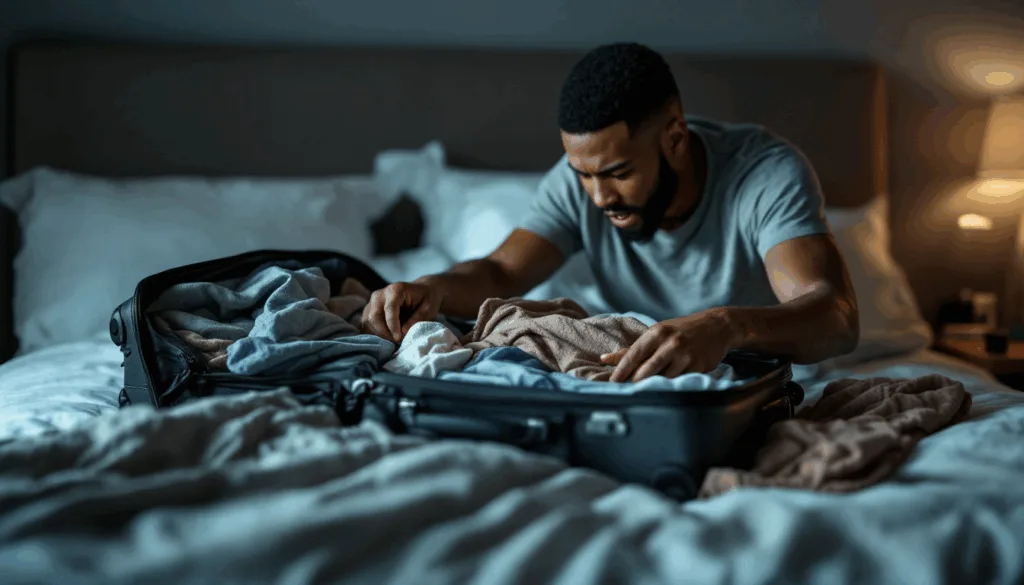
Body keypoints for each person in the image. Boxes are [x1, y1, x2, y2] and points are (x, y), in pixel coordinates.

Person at [361, 42, 859, 383]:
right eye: (584, 174)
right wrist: (435, 288)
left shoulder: (764, 174)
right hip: (623, 375)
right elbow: (501, 270)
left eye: (618, 172)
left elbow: (835, 316)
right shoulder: (581, 180)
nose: (599, 197)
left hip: (757, 380)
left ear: (675, 138)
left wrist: (724, 326)